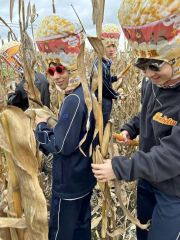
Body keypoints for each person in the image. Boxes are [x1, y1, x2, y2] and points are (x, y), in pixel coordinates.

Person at [92, 1, 180, 240]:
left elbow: (173, 157)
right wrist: (130, 128)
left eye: (155, 65)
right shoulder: (151, 84)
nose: (148, 73)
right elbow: (146, 115)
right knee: (143, 233)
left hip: (173, 192)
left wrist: (120, 168)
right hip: (147, 181)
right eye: (142, 65)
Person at [34, 15, 96, 240]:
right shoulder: (86, 92)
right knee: (81, 230)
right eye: (51, 72)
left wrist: (40, 128)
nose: (56, 77)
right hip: (84, 179)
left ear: (71, 66)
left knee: (62, 233)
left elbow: (60, 145)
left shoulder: (73, 100)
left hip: (69, 184)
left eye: (60, 70)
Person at [90, 24, 122, 128]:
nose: (112, 49)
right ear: (102, 46)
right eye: (108, 46)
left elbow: (106, 80)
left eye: (114, 46)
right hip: (101, 102)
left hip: (103, 100)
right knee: (100, 128)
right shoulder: (100, 65)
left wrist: (116, 77)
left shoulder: (104, 62)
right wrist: (117, 95)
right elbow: (104, 87)